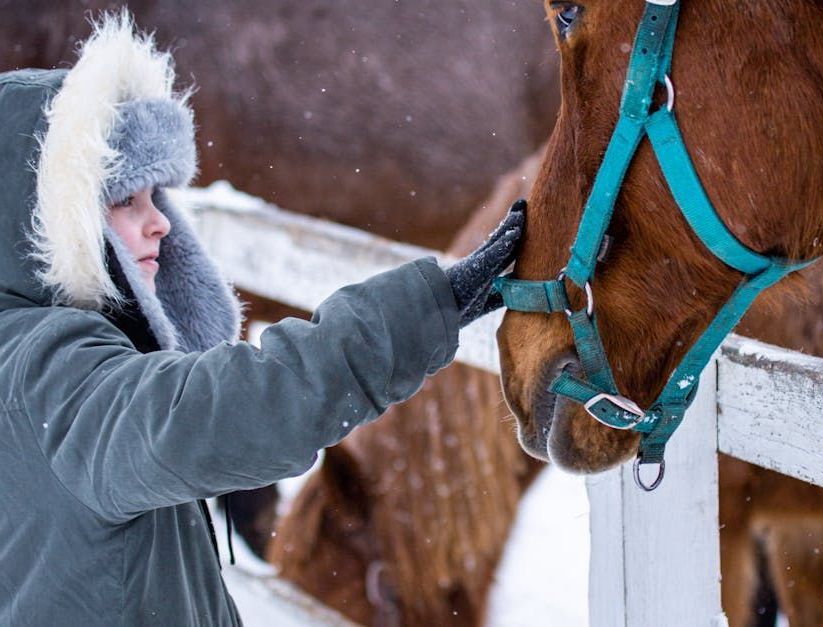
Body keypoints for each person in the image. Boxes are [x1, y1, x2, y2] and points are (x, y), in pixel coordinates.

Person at [0, 13, 524, 626]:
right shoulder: (48, 367)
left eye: (155, 197)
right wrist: (430, 308)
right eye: (124, 200)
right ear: (51, 222)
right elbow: (219, 413)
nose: (160, 222)